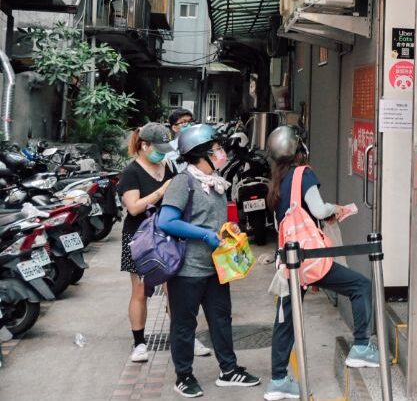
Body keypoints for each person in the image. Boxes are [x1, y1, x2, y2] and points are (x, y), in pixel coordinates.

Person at [264, 126, 378, 401]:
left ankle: (278, 380)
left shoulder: (278, 182)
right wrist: (335, 209)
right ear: (299, 149)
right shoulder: (304, 174)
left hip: (289, 262)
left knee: (286, 318)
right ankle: (361, 347)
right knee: (360, 286)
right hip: (309, 259)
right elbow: (317, 210)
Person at [159, 124, 261, 398]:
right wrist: (205, 235)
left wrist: (230, 229)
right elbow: (166, 221)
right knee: (184, 324)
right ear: (199, 154)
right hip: (188, 269)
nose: (221, 153)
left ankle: (229, 370)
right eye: (216, 149)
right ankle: (184, 376)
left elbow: (215, 220)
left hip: (217, 267)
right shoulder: (184, 182)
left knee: (221, 319)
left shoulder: (215, 182)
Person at [118, 123, 175, 363]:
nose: (161, 153)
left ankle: (182, 336)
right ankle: (139, 343)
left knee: (174, 289)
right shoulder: (132, 172)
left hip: (167, 235)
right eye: (158, 148)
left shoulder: (167, 166)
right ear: (144, 145)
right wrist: (161, 191)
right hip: (140, 238)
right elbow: (133, 208)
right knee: (141, 290)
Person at [165, 108, 195, 174]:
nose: (189, 125)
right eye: (184, 122)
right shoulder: (168, 150)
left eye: (190, 121)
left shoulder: (199, 145)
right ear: (174, 128)